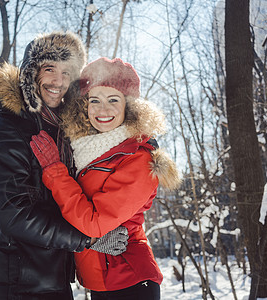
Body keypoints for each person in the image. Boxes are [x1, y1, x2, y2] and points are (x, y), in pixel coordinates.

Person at [0, 33, 128, 300]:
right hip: (19, 284)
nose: (59, 81)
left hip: (53, 276)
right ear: (30, 74)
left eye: (67, 72)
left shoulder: (59, 128)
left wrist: (142, 139)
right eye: (49, 69)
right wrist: (88, 239)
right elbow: (14, 215)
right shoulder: (4, 129)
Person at [30, 57, 182, 300]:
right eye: (95, 100)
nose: (103, 110)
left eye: (113, 100)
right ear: (85, 106)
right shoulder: (86, 149)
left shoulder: (139, 158)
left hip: (129, 279)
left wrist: (55, 170)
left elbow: (94, 223)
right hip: (100, 280)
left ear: (128, 107)